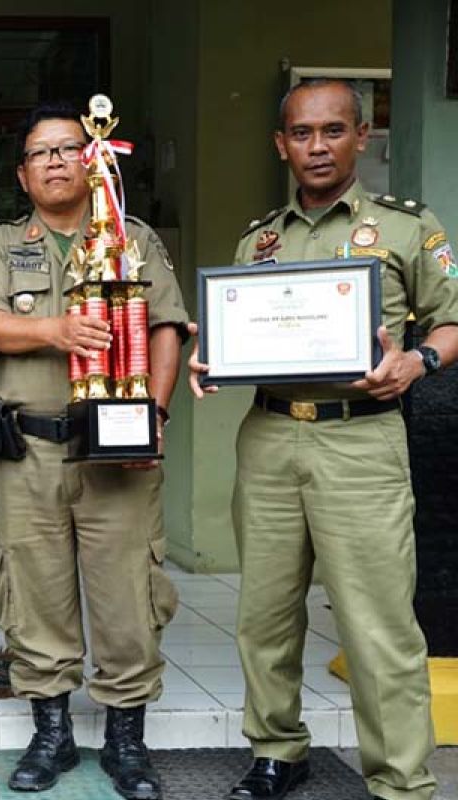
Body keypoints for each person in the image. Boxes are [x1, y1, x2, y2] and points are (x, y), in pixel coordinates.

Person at [188, 78, 458, 800]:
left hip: (362, 442)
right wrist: (209, 358)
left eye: (333, 131)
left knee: (378, 624)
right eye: (302, 134)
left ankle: (400, 778)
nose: (317, 146)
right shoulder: (258, 239)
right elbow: (238, 333)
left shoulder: (406, 228)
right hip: (271, 436)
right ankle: (278, 751)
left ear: (360, 137)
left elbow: (452, 322)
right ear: (282, 144)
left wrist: (417, 361)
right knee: (265, 615)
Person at [0, 102, 186, 799]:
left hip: (118, 456)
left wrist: (152, 415)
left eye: (68, 148)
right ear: (24, 174)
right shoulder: (4, 243)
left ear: (95, 157)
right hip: (27, 453)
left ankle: (126, 741)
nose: (57, 161)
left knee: (127, 592)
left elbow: (166, 329)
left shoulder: (134, 237)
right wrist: (57, 331)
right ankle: (51, 735)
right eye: (42, 153)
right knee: (34, 592)